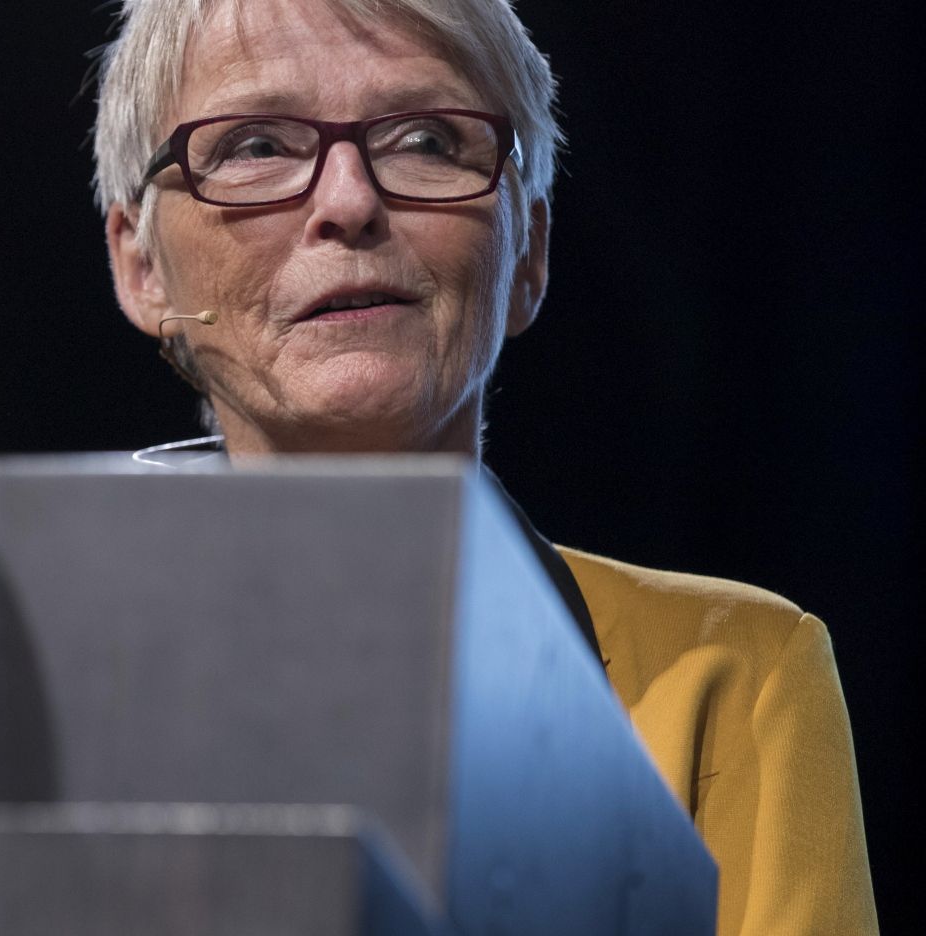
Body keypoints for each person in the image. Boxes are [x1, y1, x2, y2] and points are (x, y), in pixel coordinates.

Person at [90, 0, 878, 931]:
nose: (348, 204)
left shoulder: (735, 674)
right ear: (141, 264)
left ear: (529, 252)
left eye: (427, 138)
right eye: (256, 145)